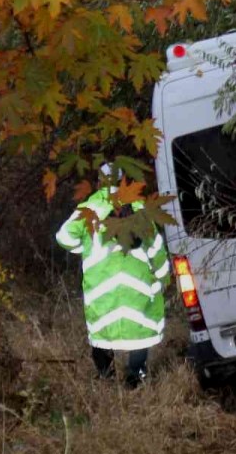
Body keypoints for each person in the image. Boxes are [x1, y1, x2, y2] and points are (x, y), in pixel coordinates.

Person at [55, 163, 170, 389]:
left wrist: (84, 249)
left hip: (101, 287)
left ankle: (105, 378)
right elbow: (156, 248)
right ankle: (135, 379)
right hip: (136, 286)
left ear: (100, 182)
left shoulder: (88, 209)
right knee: (140, 329)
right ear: (124, 180)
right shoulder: (139, 208)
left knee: (101, 330)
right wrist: (163, 276)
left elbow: (64, 237)